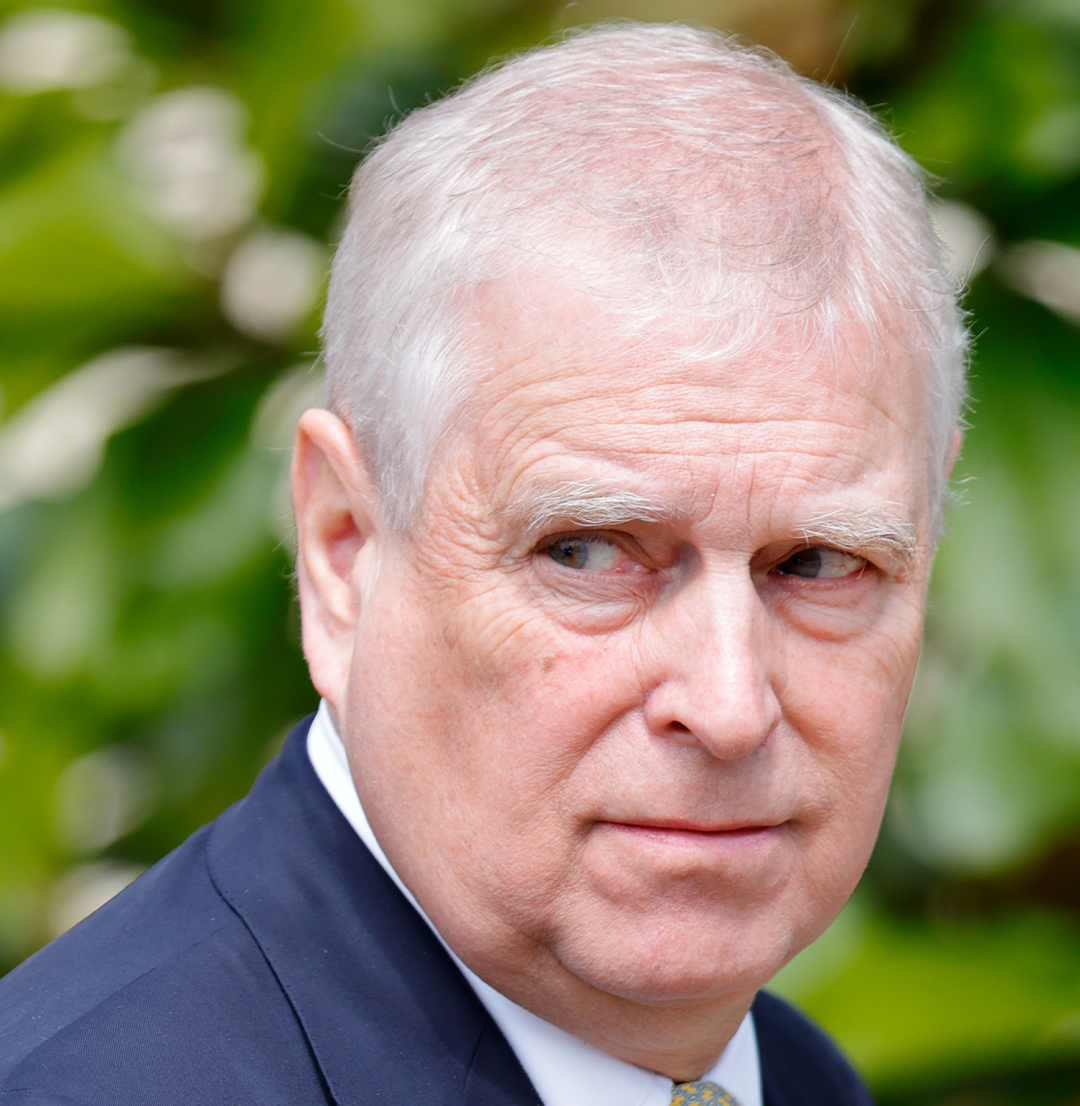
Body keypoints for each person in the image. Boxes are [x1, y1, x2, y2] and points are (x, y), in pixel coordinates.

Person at [0, 21, 966, 1106]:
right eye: (591, 552)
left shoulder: (792, 1078)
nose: (730, 705)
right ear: (342, 549)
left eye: (819, 561)